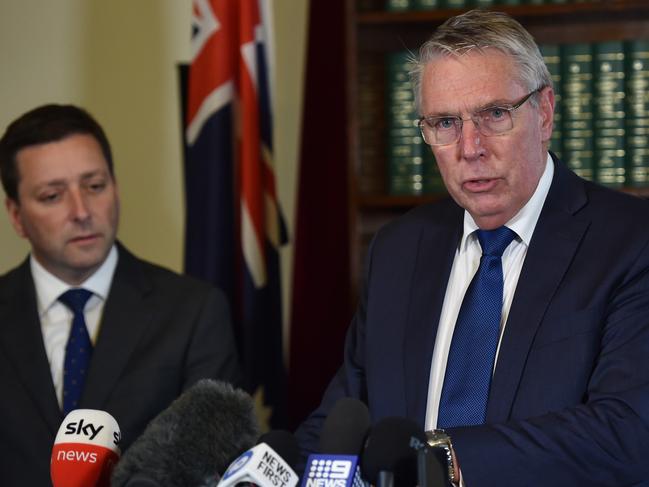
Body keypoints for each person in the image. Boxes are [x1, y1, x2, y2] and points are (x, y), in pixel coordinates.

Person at [295, 9, 649, 487]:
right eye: (444, 122)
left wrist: (443, 459)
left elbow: (628, 432)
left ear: (544, 113)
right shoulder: (398, 249)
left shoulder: (630, 241)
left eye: (494, 115)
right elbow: (342, 422)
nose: (470, 147)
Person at [0, 104, 242, 485]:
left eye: (95, 186)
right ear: (15, 215)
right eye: (52, 196)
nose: (82, 211)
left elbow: (215, 467)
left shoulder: (194, 311)